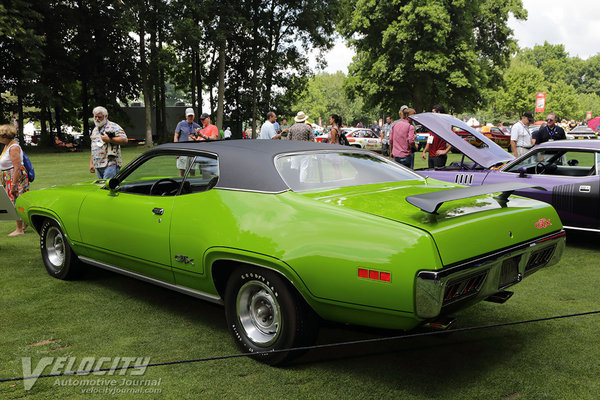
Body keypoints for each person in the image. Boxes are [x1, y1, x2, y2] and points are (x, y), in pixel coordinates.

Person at [0, 124, 29, 236]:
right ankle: (24, 224)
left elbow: (17, 167)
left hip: (14, 176)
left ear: (4, 136)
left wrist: (14, 185)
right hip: (8, 176)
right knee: (16, 200)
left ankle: (19, 229)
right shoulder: (8, 145)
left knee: (15, 201)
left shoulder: (13, 147)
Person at [89, 106, 128, 180]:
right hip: (98, 164)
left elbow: (125, 140)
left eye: (99, 117)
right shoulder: (95, 130)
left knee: (108, 187)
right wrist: (91, 163)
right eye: (95, 117)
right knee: (102, 188)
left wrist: (110, 139)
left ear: (105, 116)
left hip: (110, 164)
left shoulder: (114, 126)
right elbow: (94, 147)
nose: (97, 119)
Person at [173, 108, 201, 176]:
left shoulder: (197, 126)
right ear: (186, 116)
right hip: (183, 150)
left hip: (193, 150)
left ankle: (190, 186)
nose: (190, 117)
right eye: (189, 116)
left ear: (194, 116)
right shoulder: (180, 124)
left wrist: (196, 137)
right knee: (182, 170)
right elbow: (176, 137)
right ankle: (180, 185)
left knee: (192, 171)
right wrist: (176, 151)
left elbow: (199, 139)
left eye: (192, 115)